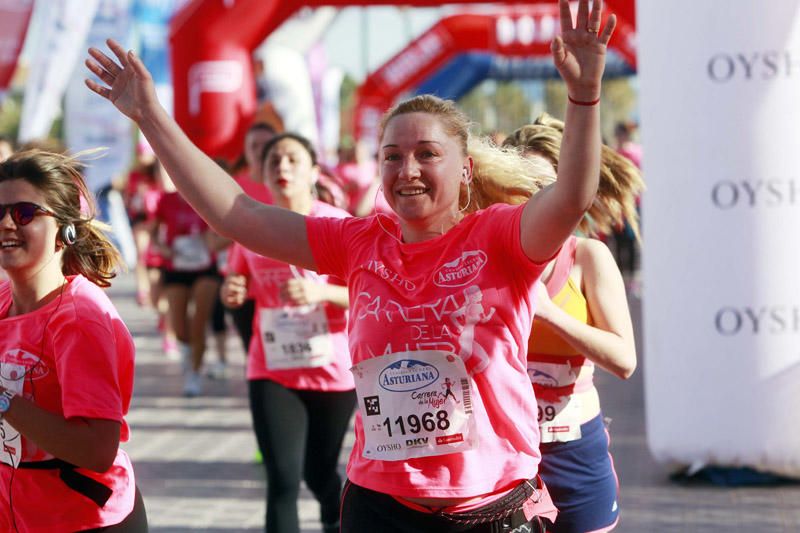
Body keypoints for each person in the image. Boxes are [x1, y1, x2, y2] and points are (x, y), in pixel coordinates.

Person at [85, 1, 615, 530]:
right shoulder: (359, 242)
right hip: (379, 506)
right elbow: (237, 214)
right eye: (391, 156)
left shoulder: (500, 235)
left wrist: (584, 95)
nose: (407, 170)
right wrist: (151, 116)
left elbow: (571, 197)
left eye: (428, 154)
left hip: (490, 509)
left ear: (466, 169)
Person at [503, 114, 643, 533]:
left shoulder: (587, 258)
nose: (531, 196)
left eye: (544, 184)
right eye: (519, 183)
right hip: (504, 452)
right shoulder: (488, 255)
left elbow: (624, 360)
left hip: (573, 450)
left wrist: (550, 313)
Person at [0, 150, 147, 531]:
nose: (6, 224)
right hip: (21, 512)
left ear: (65, 230)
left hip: (86, 518)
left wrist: (4, 401)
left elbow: (97, 450)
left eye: (24, 213)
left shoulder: (80, 318)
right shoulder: (3, 299)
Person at [221, 132, 356, 533]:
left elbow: (369, 290)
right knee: (281, 479)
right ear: (262, 172)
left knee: (319, 472)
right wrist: (234, 291)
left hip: (331, 371)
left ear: (314, 171)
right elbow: (236, 280)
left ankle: (338, 518)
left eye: (293, 159)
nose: (282, 166)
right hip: (272, 368)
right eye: (274, 160)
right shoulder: (252, 226)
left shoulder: (337, 225)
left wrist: (322, 291)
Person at [151, 163, 222, 397]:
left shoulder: (207, 199)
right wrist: (162, 248)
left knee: (199, 322)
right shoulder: (166, 200)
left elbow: (225, 231)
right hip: (176, 267)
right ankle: (187, 350)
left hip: (205, 268)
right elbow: (153, 231)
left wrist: (210, 238)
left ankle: (194, 373)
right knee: (180, 327)